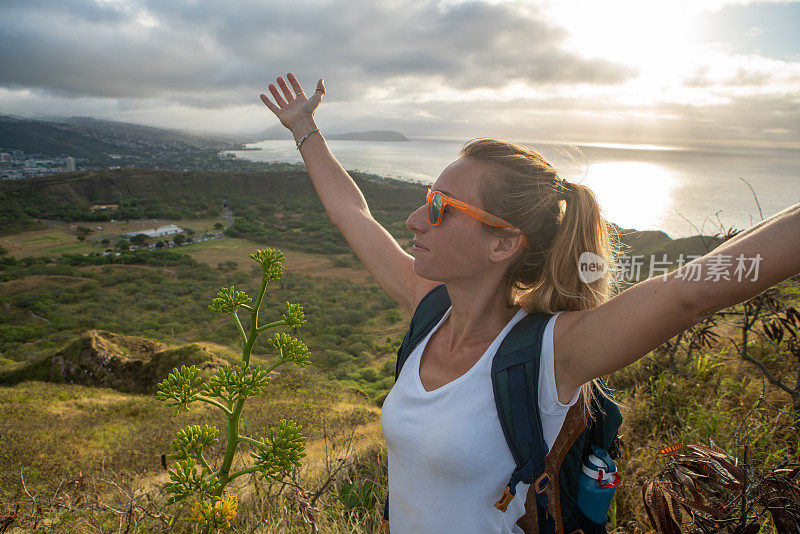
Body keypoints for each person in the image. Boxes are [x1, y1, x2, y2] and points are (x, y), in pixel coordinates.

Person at [260, 73, 800, 533]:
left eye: (441, 207)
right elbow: (354, 215)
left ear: (503, 243)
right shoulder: (431, 308)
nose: (415, 220)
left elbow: (691, 291)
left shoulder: (552, 352)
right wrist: (305, 129)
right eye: (428, 198)